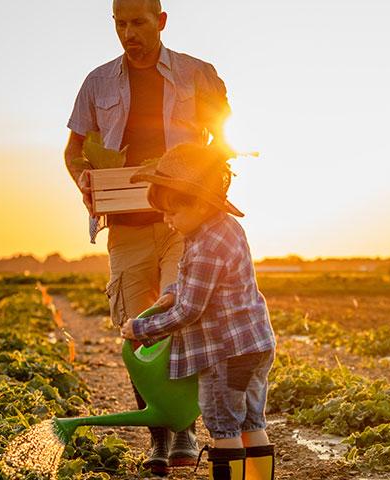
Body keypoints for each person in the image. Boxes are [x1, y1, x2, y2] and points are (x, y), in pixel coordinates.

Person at [63, 0, 230, 473]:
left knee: (181, 316)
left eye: (138, 23)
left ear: (160, 22)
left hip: (185, 222)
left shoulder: (198, 74)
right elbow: (74, 151)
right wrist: (84, 180)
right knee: (138, 331)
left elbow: (224, 136)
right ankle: (159, 435)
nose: (129, 33)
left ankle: (184, 429)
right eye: (120, 24)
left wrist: (204, 173)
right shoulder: (97, 83)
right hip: (127, 227)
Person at [123, 143, 276, 480]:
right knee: (252, 422)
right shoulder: (221, 230)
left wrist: (141, 329)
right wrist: (169, 294)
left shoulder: (206, 245)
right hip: (255, 345)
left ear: (199, 203)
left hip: (225, 353)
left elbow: (190, 310)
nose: (167, 220)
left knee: (223, 427)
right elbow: (200, 285)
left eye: (172, 212)